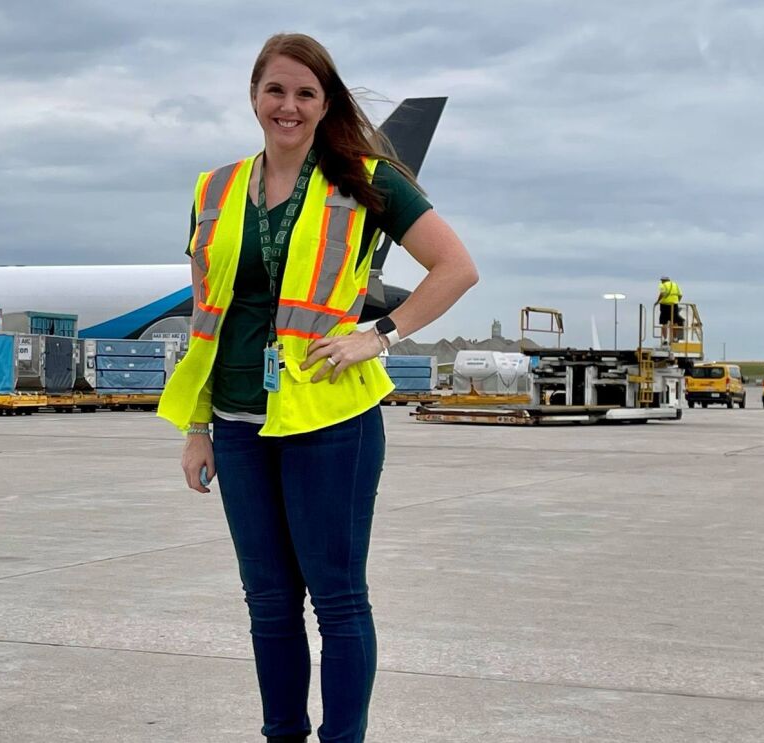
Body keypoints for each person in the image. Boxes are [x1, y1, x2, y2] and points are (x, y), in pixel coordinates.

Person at [157, 34, 477, 743]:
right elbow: (208, 312)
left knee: (337, 599)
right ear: (253, 97)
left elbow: (455, 268)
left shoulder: (367, 178)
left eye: (305, 93)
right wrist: (198, 425)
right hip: (239, 422)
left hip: (332, 418)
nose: (289, 106)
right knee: (268, 602)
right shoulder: (213, 190)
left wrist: (380, 332)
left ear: (324, 102)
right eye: (276, 91)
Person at [656, 275, 683, 342]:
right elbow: (680, 295)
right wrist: (677, 301)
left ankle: (665, 339)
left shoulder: (663, 285)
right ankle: (675, 338)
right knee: (675, 322)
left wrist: (657, 301)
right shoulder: (675, 285)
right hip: (674, 305)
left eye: (661, 280)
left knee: (664, 322)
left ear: (663, 280)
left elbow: (662, 294)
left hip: (664, 305)